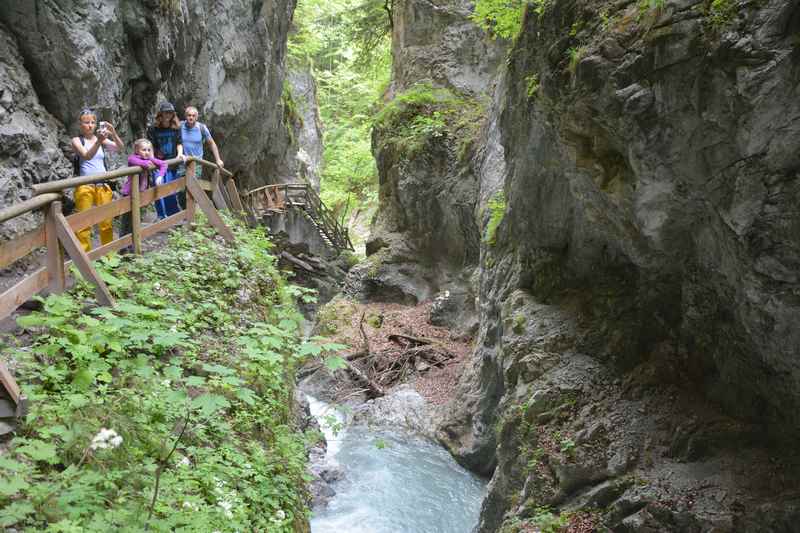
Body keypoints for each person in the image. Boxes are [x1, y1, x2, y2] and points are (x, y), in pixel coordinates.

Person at [70, 108, 124, 252]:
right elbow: (86, 156)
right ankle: (85, 257)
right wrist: (99, 142)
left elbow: (120, 147)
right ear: (80, 124)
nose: (90, 125)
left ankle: (109, 255)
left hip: (102, 184)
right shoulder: (77, 140)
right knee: (83, 223)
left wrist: (113, 132)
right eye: (86, 122)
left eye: (93, 122)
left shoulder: (101, 140)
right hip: (84, 185)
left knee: (106, 222)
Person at [120, 139, 167, 243]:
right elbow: (142, 164)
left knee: (136, 219)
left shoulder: (148, 158)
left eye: (149, 150)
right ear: (137, 150)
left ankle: (133, 244)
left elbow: (164, 164)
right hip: (129, 194)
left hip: (140, 194)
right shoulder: (132, 158)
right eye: (143, 150)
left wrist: (160, 175)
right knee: (126, 221)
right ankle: (123, 246)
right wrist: (151, 161)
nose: (146, 152)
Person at [147, 102, 185, 218]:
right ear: (161, 114)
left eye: (170, 113)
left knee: (170, 190)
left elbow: (179, 143)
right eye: (166, 112)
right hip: (158, 163)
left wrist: (180, 155)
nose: (168, 115)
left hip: (172, 164)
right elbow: (151, 145)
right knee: (158, 188)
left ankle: (173, 216)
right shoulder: (153, 129)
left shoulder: (176, 128)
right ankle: (161, 216)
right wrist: (152, 159)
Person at [180, 106, 224, 177]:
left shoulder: (201, 128)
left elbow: (211, 143)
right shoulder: (180, 126)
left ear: (196, 117)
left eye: (193, 116)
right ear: (185, 116)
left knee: (193, 185)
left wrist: (218, 159)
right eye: (189, 115)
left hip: (197, 163)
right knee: (180, 185)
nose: (191, 118)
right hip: (182, 162)